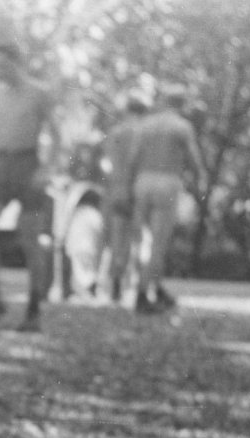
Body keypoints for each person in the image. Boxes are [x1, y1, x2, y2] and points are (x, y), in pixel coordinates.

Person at [0, 43, 59, 333]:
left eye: (4, 64)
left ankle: (34, 309)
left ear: (17, 63)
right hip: (3, 166)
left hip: (29, 165)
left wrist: (47, 169)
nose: (0, 70)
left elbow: (57, 134)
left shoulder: (39, 92)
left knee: (29, 239)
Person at [128, 83, 206, 314]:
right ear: (182, 104)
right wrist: (200, 180)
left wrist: (129, 187)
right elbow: (194, 159)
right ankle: (142, 295)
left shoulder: (145, 125)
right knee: (158, 242)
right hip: (167, 181)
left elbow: (133, 159)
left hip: (142, 181)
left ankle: (156, 288)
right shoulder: (181, 126)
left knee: (142, 240)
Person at [96, 90, 151, 304]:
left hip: (115, 189)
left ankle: (114, 283)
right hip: (137, 189)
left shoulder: (115, 132)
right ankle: (133, 284)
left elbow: (107, 162)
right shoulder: (144, 133)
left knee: (116, 237)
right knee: (137, 238)